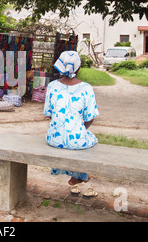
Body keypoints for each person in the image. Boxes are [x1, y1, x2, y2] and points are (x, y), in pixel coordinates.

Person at [43, 51, 99, 197]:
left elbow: (49, 114)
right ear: (78, 68)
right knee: (88, 138)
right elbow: (90, 118)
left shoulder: (52, 86)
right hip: (77, 140)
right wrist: (79, 130)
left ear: (59, 66)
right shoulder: (86, 88)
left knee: (66, 139)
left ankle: (78, 176)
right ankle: (80, 175)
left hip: (54, 139)